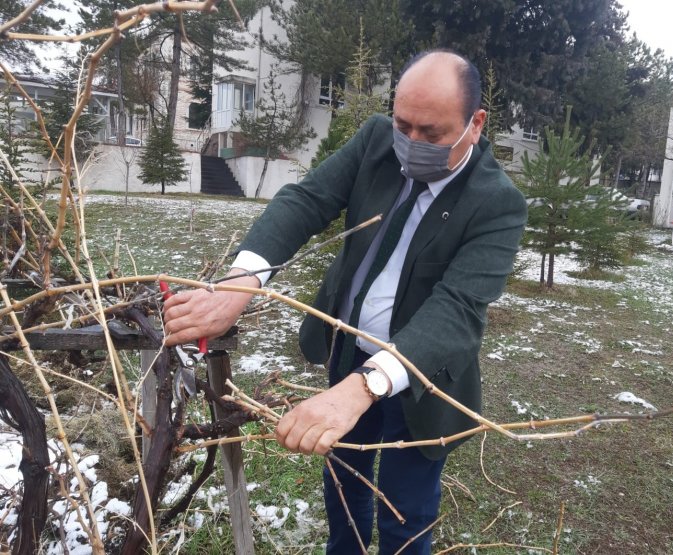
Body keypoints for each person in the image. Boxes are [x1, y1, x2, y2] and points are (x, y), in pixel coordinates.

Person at [164, 49, 527, 554]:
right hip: (348, 350)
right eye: (404, 125)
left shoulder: (497, 203)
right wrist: (242, 281)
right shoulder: (377, 141)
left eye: (432, 133)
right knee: (345, 488)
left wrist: (367, 386)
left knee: (406, 509)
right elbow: (305, 200)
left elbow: (458, 309)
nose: (411, 144)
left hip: (421, 377)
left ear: (476, 123)